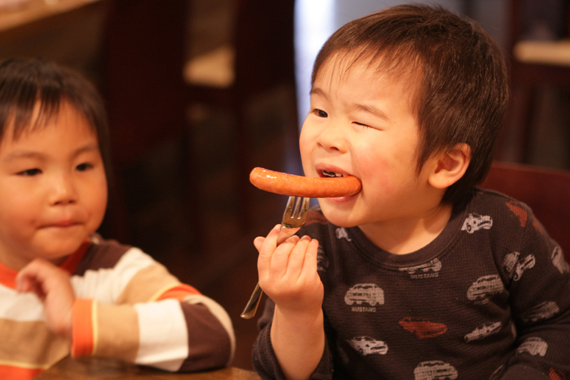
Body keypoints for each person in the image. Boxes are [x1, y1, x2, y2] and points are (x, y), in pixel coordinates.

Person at [251, 4, 570, 380]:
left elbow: (559, 323)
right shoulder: (311, 241)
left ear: (444, 165)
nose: (327, 138)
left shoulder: (505, 231)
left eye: (361, 121)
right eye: (320, 111)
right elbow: (285, 374)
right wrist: (296, 310)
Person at [0, 58, 235, 380]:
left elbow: (213, 333)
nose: (64, 191)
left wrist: (77, 319)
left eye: (83, 166)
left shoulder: (113, 272)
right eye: (31, 171)